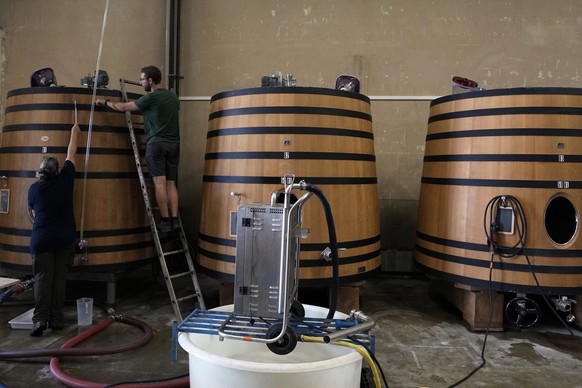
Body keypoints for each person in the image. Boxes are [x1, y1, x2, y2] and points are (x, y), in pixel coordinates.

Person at [95, 66, 180, 233]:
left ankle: (164, 219)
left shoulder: (151, 98)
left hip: (156, 144)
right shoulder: (173, 97)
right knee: (171, 183)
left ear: (150, 80)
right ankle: (175, 220)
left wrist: (104, 101)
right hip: (174, 145)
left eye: (142, 79)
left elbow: (123, 108)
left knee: (159, 183)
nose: (141, 82)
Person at [28, 123, 80, 336]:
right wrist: (74, 132)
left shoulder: (35, 189)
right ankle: (57, 320)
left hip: (42, 239)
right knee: (59, 278)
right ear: (58, 171)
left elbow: (31, 210)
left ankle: (40, 320)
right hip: (65, 238)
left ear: (40, 172)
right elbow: (71, 153)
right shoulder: (66, 180)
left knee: (42, 279)